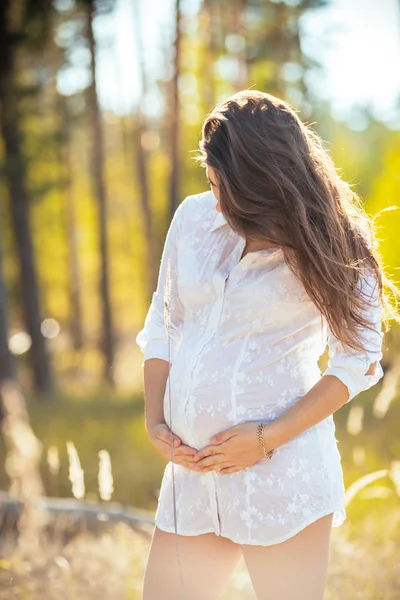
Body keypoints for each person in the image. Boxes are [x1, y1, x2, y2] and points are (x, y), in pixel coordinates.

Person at [135, 90, 398, 600]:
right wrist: (154, 421)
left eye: (225, 189)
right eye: (211, 183)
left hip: (282, 477)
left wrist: (264, 439)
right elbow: (164, 319)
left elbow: (357, 362)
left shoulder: (338, 246)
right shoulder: (194, 220)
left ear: (264, 184)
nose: (216, 200)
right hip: (193, 477)